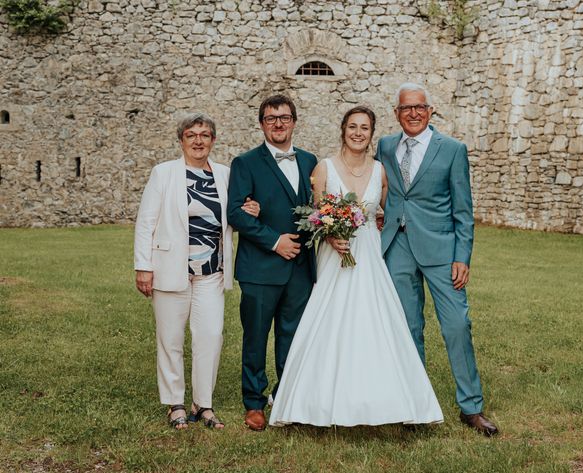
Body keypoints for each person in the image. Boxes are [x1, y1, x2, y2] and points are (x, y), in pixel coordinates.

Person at [269, 106, 443, 427]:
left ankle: (386, 400)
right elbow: (315, 215)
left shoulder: (381, 171)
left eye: (364, 128)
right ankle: (312, 402)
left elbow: (388, 212)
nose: (358, 133)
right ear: (343, 130)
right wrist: (331, 235)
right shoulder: (324, 168)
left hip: (369, 254)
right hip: (335, 254)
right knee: (328, 319)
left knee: (375, 320)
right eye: (353, 127)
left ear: (371, 133)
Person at [376, 83, 499, 436]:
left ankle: (471, 407)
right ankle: (414, 405)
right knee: (407, 328)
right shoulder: (385, 146)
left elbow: (464, 209)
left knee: (457, 326)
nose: (412, 113)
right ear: (396, 113)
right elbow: (381, 188)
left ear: (431, 111)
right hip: (396, 247)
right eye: (405, 108)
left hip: (443, 251)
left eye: (419, 107)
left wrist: (463, 256)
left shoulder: (453, 150)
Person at [134, 113, 260, 430]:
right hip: (170, 269)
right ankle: (175, 404)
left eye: (205, 135)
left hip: (212, 272)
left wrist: (250, 210)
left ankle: (203, 405)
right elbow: (146, 222)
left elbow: (232, 214)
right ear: (182, 140)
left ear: (213, 140)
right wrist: (143, 267)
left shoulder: (225, 174)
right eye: (191, 135)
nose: (198, 140)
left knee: (210, 337)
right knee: (171, 339)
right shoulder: (163, 174)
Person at [227, 94, 317, 431]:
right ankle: (253, 402)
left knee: (292, 336)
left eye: (284, 117)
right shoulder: (246, 163)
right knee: (255, 336)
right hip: (261, 268)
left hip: (301, 269)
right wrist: (274, 241)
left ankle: (286, 396)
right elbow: (235, 212)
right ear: (261, 123)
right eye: (270, 118)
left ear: (294, 121)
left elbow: (321, 206)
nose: (278, 123)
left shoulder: (311, 161)